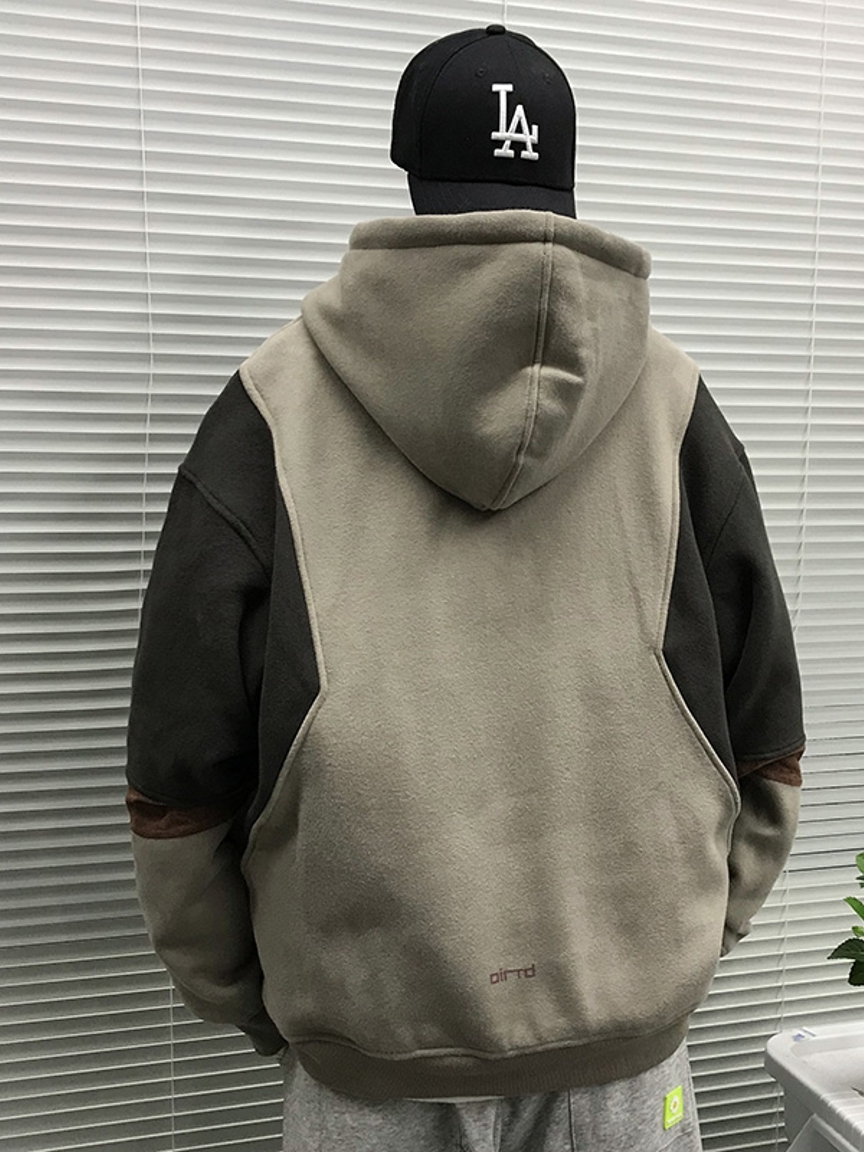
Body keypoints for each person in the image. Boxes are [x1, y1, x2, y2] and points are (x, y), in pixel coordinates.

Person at [125, 25, 805, 1152]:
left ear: (413, 174)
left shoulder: (269, 413)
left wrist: (278, 1007)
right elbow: (770, 739)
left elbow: (177, 783)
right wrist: (668, 952)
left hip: (367, 1077)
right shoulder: (678, 408)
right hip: (631, 1074)